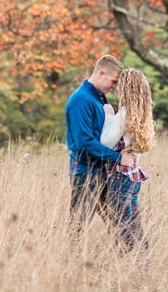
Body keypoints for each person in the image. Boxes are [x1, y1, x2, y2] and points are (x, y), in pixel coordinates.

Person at [65, 54, 136, 233]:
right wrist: (118, 157)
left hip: (103, 170)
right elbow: (84, 143)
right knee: (78, 227)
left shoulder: (99, 98)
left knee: (119, 223)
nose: (114, 87)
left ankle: (124, 260)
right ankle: (71, 261)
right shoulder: (81, 100)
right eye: (113, 82)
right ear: (101, 73)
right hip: (85, 171)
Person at [101, 67, 156, 251]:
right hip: (133, 177)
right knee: (135, 227)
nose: (116, 88)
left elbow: (106, 143)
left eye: (119, 85)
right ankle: (144, 263)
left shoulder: (123, 113)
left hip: (120, 178)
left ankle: (136, 265)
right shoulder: (141, 113)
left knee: (122, 228)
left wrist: (108, 116)